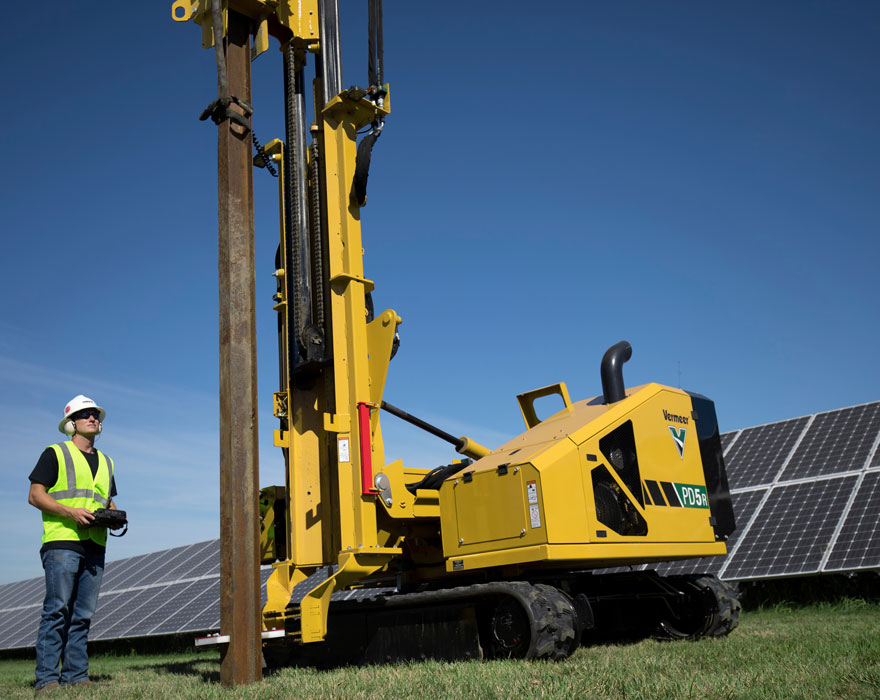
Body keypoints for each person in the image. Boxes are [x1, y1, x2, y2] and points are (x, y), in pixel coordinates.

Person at [28, 395, 125, 693]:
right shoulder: (54, 453)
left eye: (96, 414)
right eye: (86, 414)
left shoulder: (107, 462)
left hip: (95, 543)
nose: (94, 418)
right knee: (57, 610)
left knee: (83, 614)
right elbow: (35, 495)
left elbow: (106, 499)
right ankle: (47, 680)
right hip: (62, 541)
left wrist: (115, 517)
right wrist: (70, 512)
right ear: (72, 424)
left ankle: (77, 676)